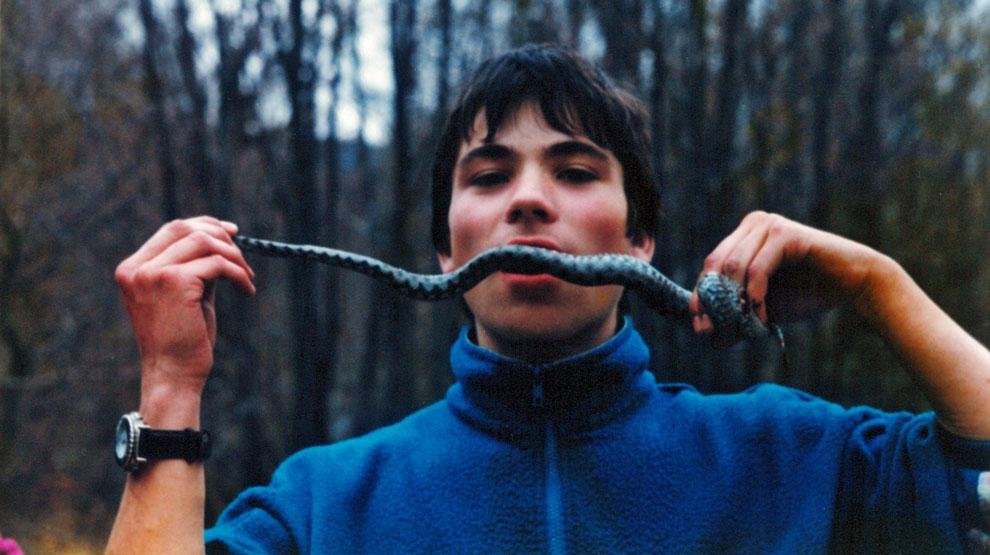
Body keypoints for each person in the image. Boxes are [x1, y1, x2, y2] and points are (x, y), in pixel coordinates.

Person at [107, 44, 990, 553]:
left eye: (574, 171)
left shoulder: (789, 458)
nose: (529, 200)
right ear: (445, 247)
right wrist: (170, 388)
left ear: (639, 240)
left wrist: (878, 283)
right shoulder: (323, 506)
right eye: (490, 175)